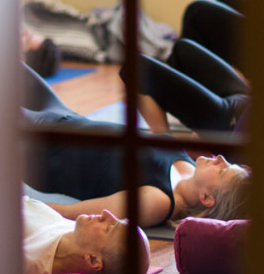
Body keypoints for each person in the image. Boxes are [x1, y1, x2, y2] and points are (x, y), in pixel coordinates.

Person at [21, 63, 250, 228]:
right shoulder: (188, 168)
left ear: (207, 198)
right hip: (67, 118)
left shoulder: (157, 202)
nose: (221, 158)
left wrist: (19, 208)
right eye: (229, 163)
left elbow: (70, 213)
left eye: (222, 170)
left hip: (44, 147)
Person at [22, 195, 150, 274]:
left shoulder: (27, 264)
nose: (106, 213)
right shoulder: (79, 231)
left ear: (93, 260)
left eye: (109, 228)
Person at [125, 37, 251, 135]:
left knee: (135, 67)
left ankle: (167, 148)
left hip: (234, 124)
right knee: (182, 48)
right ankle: (188, 117)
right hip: (245, 101)